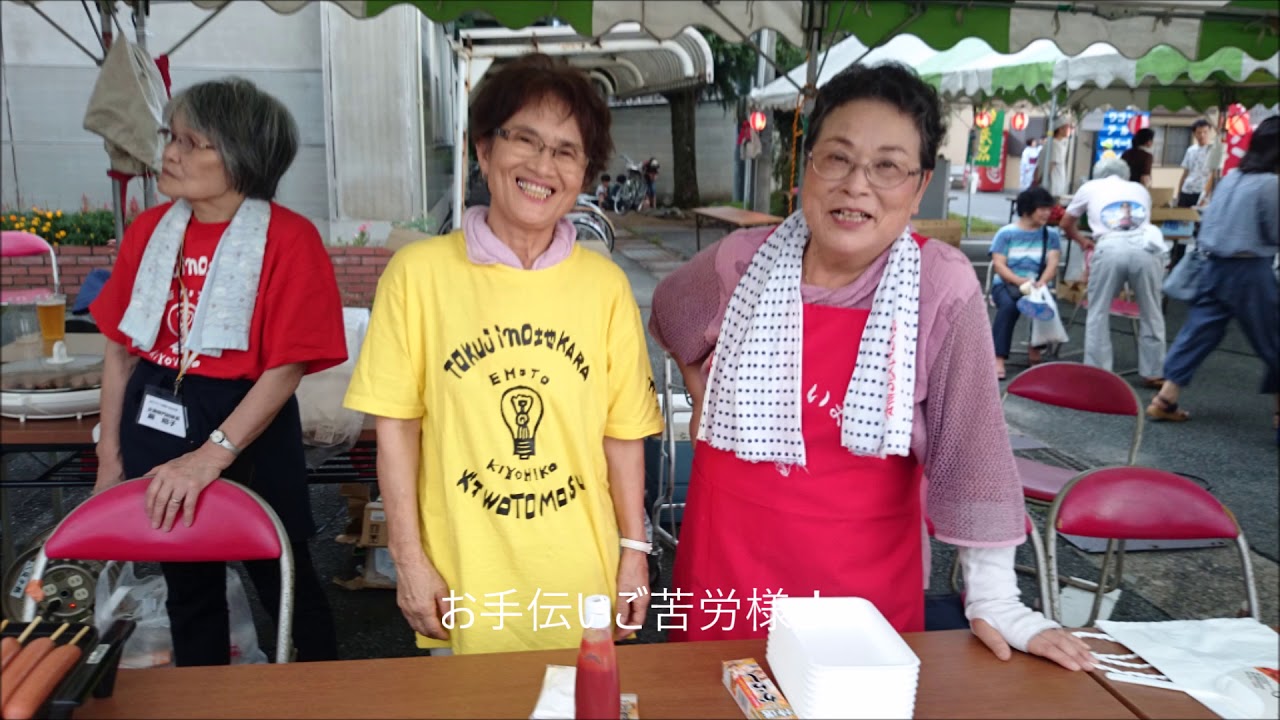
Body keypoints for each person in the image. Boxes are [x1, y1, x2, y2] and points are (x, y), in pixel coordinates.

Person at [648, 62, 1093, 672]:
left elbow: (972, 452)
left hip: (854, 599)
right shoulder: (742, 261)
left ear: (918, 185)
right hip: (725, 579)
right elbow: (671, 312)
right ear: (807, 166)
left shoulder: (939, 285)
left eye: (887, 166)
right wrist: (706, 390)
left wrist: (995, 598)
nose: (857, 185)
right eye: (838, 158)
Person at [343, 53, 663, 656]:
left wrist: (634, 554)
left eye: (567, 151)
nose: (544, 166)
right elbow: (396, 432)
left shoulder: (605, 287)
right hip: (463, 574)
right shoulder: (419, 276)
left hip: (579, 575)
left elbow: (624, 437)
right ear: (484, 150)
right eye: (525, 140)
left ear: (585, 173)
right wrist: (408, 561)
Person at [89, 78, 345, 666]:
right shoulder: (150, 230)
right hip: (157, 407)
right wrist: (110, 460)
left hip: (247, 419)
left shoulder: (289, 238)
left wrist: (211, 456)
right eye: (170, 138)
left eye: (193, 142)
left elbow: (285, 368)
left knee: (285, 576)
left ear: (242, 155)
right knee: (188, 587)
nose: (170, 153)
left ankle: (325, 694)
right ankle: (202, 696)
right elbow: (120, 350)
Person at [1148, 116, 1279, 428]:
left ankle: (1164, 399)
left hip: (1212, 265)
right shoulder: (1271, 184)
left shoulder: (1232, 177)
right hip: (1249, 270)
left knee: (1199, 332)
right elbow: (1275, 232)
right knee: (1273, 338)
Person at [1060, 157, 1167, 386]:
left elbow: (1066, 222)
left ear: (1098, 173)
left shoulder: (1089, 187)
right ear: (1125, 174)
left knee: (1098, 310)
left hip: (1109, 247)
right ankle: (1154, 371)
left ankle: (1098, 371)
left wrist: (1081, 240)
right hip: (1146, 248)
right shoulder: (1139, 189)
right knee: (1151, 310)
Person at [989, 187, 1063, 380]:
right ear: (1028, 209)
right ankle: (998, 357)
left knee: (1040, 303)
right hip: (1007, 284)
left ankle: (1036, 348)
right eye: (1042, 208)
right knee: (1009, 306)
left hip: (1037, 284)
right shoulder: (1006, 233)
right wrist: (1019, 280)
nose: (1047, 213)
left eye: (1049, 209)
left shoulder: (1051, 235)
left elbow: (1053, 263)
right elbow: (999, 264)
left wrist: (1041, 282)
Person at [1178, 119, 1216, 209]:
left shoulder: (1213, 150)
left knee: (1198, 220)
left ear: (1210, 132)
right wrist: (1179, 192)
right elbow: (1185, 173)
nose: (1202, 135)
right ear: (1194, 134)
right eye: (1199, 132)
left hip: (1202, 191)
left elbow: (1214, 174)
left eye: (1205, 132)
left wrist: (1206, 196)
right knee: (1182, 219)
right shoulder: (1190, 150)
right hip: (1186, 190)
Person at [1045, 117, 1074, 198]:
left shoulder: (1057, 143)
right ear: (1060, 129)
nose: (1070, 130)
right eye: (1068, 127)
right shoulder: (1055, 144)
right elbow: (1051, 165)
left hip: (1055, 184)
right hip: (1054, 185)